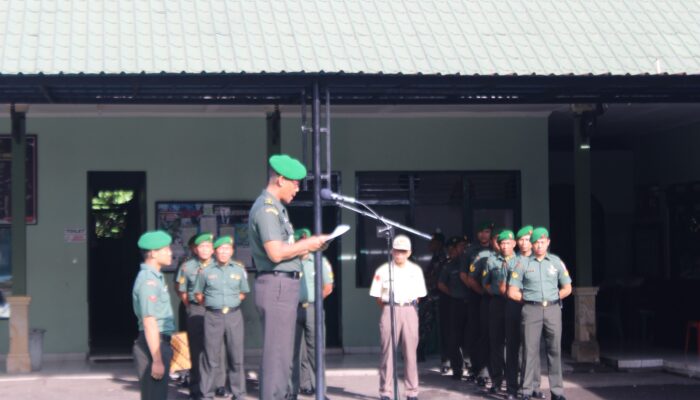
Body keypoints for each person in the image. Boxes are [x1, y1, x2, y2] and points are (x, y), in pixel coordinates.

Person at [248, 154, 327, 400]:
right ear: (281, 180)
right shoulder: (267, 209)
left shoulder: (278, 208)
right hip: (277, 285)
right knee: (277, 357)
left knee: (284, 355)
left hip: (283, 284)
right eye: (295, 183)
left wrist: (306, 247)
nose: (298, 189)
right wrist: (309, 244)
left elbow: (285, 250)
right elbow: (275, 252)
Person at [508, 227, 573, 400]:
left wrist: (554, 297)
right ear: (532, 244)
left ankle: (557, 392)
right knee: (529, 351)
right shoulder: (523, 263)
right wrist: (528, 300)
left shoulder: (556, 262)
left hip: (552, 309)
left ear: (548, 242)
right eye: (535, 242)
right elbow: (512, 291)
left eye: (542, 242)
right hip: (531, 310)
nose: (538, 246)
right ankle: (526, 390)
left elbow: (567, 287)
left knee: (555, 350)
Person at [369, 235, 427, 400]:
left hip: (409, 309)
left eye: (403, 252)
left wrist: (406, 307)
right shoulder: (383, 270)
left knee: (410, 353)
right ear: (391, 251)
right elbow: (378, 296)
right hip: (389, 309)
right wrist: (390, 308)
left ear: (409, 252)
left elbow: (419, 295)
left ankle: (412, 391)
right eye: (396, 251)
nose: (399, 255)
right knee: (387, 352)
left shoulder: (415, 270)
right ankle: (385, 392)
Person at [195, 235, 250, 400]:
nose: (224, 252)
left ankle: (238, 393)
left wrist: (230, 303)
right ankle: (207, 393)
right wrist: (214, 304)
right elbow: (198, 295)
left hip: (234, 316)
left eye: (227, 249)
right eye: (221, 249)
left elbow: (243, 293)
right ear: (215, 252)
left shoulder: (238, 270)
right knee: (211, 357)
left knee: (236, 357)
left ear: (232, 251)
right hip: (213, 316)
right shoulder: (206, 271)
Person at [289, 228, 335, 399]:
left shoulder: (319, 261)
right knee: (295, 352)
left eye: (305, 241)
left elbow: (328, 287)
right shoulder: (290, 262)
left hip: (312, 309)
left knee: (315, 350)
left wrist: (315, 299)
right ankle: (299, 387)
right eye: (299, 242)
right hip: (293, 310)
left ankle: (320, 390)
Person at [132, 230, 176, 400]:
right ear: (153, 253)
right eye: (166, 249)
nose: (170, 252)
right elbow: (149, 320)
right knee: (155, 395)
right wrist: (157, 360)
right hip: (153, 345)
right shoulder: (148, 280)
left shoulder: (155, 277)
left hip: (158, 343)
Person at [175, 232, 215, 399]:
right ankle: (195, 387)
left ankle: (212, 388)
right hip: (194, 309)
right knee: (194, 349)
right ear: (194, 248)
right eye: (200, 246)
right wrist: (190, 306)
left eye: (208, 246)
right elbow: (180, 289)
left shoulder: (218, 264)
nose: (204, 249)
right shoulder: (187, 265)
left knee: (213, 351)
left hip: (214, 311)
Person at [482, 229, 520, 395]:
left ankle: (514, 383)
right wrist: (493, 291)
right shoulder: (492, 260)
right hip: (497, 303)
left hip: (514, 304)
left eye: (508, 243)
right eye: (502, 243)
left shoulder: (520, 261)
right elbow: (486, 282)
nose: (505, 246)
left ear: (513, 244)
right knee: (495, 343)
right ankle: (496, 380)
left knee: (513, 345)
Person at [462, 225, 498, 387]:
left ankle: (496, 370)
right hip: (478, 298)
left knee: (496, 336)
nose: (484, 235)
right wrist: (481, 292)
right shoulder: (472, 251)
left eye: (487, 232)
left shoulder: (501, 252)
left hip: (499, 301)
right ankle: (477, 369)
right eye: (481, 231)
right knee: (478, 334)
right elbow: (465, 275)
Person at [504, 225, 534, 399]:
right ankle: (511, 388)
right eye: (521, 240)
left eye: (527, 240)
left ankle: (529, 387)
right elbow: (508, 287)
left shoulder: (539, 260)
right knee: (513, 347)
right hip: (514, 306)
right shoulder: (512, 262)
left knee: (530, 349)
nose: (524, 243)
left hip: (532, 309)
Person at [436, 236, 469, 380]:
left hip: (472, 304)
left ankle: (472, 367)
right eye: (460, 246)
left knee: (471, 337)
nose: (462, 249)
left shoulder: (470, 262)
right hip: (456, 304)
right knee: (454, 338)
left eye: (464, 246)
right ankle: (457, 369)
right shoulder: (450, 265)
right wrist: (454, 294)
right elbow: (441, 284)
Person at [419, 231, 447, 368]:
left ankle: (445, 358)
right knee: (425, 324)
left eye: (433, 242)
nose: (430, 244)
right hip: (431, 295)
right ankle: (420, 352)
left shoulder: (442, 257)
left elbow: (437, 277)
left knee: (437, 327)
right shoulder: (436, 257)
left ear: (439, 244)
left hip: (437, 296)